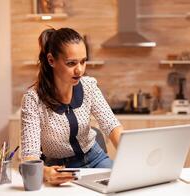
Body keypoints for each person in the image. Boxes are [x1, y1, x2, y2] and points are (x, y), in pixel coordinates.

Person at [20, 27, 123, 185]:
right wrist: (45, 172)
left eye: (83, 61)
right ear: (51, 60)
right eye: (71, 63)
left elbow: (111, 125)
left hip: (96, 159)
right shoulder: (33, 99)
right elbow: (29, 155)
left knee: (123, 187)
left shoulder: (88, 86)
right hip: (60, 170)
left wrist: (132, 157)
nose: (80, 70)